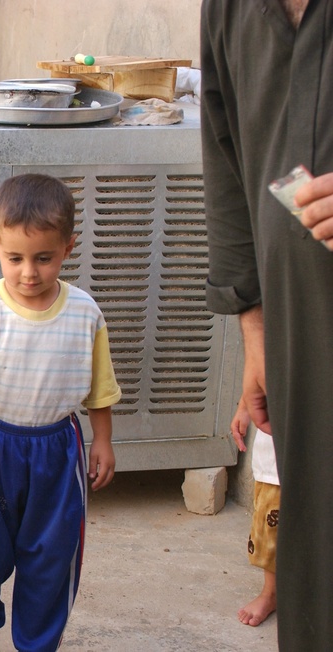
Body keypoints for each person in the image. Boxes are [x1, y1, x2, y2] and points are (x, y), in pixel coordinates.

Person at [0, 173, 121, 652]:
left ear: (68, 247)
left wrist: (104, 441)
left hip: (58, 451)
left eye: (43, 258)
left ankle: (37, 645)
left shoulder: (85, 313)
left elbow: (100, 389)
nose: (28, 272)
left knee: (53, 557)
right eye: (15, 258)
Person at [200, 2, 333, 647]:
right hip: (298, 339)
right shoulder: (229, 10)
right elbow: (228, 163)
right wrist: (255, 330)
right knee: (311, 554)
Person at [229, 397, 279, 628]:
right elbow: (259, 362)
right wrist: (245, 405)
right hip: (280, 436)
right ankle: (271, 593)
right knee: (272, 527)